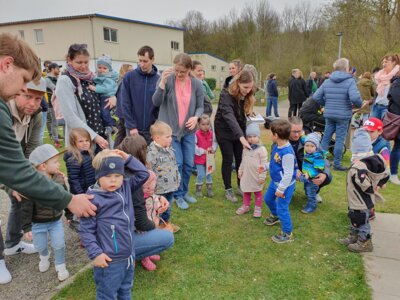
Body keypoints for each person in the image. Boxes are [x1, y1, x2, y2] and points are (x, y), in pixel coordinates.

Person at [0, 33, 96, 215]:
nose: (22, 88)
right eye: (23, 79)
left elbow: (27, 158)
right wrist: (68, 199)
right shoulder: (3, 108)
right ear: (6, 65)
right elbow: (13, 166)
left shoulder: (32, 116)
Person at [79, 149, 149, 299]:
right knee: (107, 294)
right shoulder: (92, 199)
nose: (113, 180)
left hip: (129, 255)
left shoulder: (125, 187)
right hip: (110, 260)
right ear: (98, 176)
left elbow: (144, 174)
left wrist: (128, 158)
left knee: (126, 289)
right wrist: (96, 254)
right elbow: (86, 231)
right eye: (108, 176)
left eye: (117, 175)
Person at [0, 79, 46, 284]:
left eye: (38, 99)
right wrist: (10, 184)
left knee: (22, 194)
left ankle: (12, 243)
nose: (34, 104)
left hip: (12, 160)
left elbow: (32, 150)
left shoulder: (35, 116)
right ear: (16, 92)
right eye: (28, 96)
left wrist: (26, 181)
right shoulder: (4, 112)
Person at [152, 53, 204, 209]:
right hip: (170, 132)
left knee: (189, 164)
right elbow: (156, 102)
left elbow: (201, 106)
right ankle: (178, 195)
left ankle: (185, 191)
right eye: (177, 70)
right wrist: (161, 83)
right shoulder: (167, 80)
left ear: (189, 69)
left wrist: (196, 117)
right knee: (178, 164)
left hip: (188, 131)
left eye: (182, 71)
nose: (179, 74)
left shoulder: (197, 84)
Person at [117, 135, 174, 271]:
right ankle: (135, 255)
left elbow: (145, 194)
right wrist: (155, 226)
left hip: (122, 229)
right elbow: (141, 222)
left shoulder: (122, 171)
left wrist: (158, 198)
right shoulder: (132, 178)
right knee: (167, 237)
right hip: (123, 235)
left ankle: (142, 253)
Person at [24, 144, 70, 281]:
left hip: (55, 221)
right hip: (37, 223)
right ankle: (44, 256)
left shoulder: (59, 179)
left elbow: (65, 198)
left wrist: (69, 214)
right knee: (39, 245)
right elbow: (26, 206)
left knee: (59, 244)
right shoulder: (30, 185)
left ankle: (60, 264)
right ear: (43, 166)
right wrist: (26, 227)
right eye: (55, 162)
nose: (59, 165)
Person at [339, 129, 389, 252]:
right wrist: (381, 183)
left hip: (359, 200)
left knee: (361, 221)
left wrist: (369, 188)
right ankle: (354, 236)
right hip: (362, 200)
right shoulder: (376, 159)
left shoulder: (359, 167)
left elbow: (364, 184)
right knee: (355, 218)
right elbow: (386, 173)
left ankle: (365, 242)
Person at [312, 58, 362, 171]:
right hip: (343, 115)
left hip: (329, 114)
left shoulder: (327, 81)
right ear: (346, 68)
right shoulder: (350, 81)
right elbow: (355, 98)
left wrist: (326, 104)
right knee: (339, 140)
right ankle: (337, 164)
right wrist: (359, 104)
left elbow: (316, 97)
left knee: (326, 138)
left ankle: (320, 163)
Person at [56, 43, 108, 149]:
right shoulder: (65, 81)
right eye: (79, 62)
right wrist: (95, 137)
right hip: (82, 141)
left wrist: (112, 97)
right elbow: (70, 117)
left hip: (101, 137)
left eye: (86, 62)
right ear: (69, 61)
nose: (83, 66)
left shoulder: (92, 78)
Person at [214, 70, 255, 203]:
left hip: (238, 130)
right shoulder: (225, 95)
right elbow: (229, 116)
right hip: (224, 130)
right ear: (238, 83)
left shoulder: (245, 95)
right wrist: (241, 137)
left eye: (250, 87)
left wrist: (249, 114)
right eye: (245, 87)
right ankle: (228, 189)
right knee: (228, 158)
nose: (248, 91)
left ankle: (240, 186)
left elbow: (238, 114)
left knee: (240, 158)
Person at [263, 119, 297, 243]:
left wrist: (281, 189)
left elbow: (288, 174)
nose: (270, 135)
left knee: (283, 208)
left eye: (271, 133)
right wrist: (266, 166)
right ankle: (275, 215)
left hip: (285, 186)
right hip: (276, 182)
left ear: (276, 135)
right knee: (267, 199)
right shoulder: (277, 146)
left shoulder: (287, 153)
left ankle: (288, 233)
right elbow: (275, 162)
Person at [119, 46, 160, 145]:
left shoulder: (158, 79)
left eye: (145, 61)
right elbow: (125, 103)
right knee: (133, 158)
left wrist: (156, 125)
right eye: (140, 61)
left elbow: (159, 105)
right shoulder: (129, 77)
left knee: (150, 159)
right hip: (133, 129)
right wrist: (131, 126)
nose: (142, 64)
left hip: (151, 130)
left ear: (153, 59)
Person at [288, 117, 331, 203]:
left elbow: (323, 157)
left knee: (328, 177)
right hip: (289, 168)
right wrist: (293, 170)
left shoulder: (310, 140)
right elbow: (275, 161)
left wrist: (325, 173)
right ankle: (288, 189)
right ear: (287, 129)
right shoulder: (281, 140)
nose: (297, 135)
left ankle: (313, 191)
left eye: (299, 131)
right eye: (294, 131)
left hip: (308, 168)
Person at [147, 121, 181, 230]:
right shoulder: (151, 154)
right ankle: (156, 226)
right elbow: (149, 171)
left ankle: (165, 223)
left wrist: (177, 178)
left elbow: (175, 165)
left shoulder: (170, 150)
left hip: (171, 186)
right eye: (168, 137)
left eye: (170, 136)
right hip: (159, 189)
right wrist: (150, 187)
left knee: (168, 206)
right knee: (158, 208)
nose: (170, 139)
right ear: (157, 138)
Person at [63, 128, 96, 230]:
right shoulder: (74, 159)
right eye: (81, 141)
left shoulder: (88, 154)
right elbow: (73, 180)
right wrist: (80, 193)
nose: (85, 143)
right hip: (81, 192)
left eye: (87, 140)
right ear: (74, 143)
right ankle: (84, 234)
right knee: (83, 215)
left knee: (91, 212)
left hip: (90, 189)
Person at [236, 123, 268, 218]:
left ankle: (258, 207)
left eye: (254, 136)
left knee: (257, 192)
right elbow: (243, 161)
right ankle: (246, 206)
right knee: (246, 191)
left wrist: (262, 176)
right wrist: (240, 170)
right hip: (247, 175)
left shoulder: (261, 150)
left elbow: (264, 164)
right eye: (249, 136)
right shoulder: (245, 148)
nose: (252, 138)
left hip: (256, 175)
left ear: (258, 137)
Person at [89, 54, 118, 135]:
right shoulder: (101, 76)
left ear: (109, 69)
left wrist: (95, 88)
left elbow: (106, 88)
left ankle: (113, 124)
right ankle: (108, 126)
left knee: (104, 112)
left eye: (104, 68)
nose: (101, 70)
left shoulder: (109, 78)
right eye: (99, 67)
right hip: (102, 97)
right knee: (102, 113)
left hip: (106, 97)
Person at [299, 133, 326, 214]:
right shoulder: (307, 151)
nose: (309, 148)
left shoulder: (317, 156)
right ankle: (311, 201)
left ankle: (312, 206)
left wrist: (309, 174)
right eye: (307, 146)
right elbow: (305, 139)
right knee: (307, 190)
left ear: (316, 147)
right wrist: (301, 135)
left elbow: (318, 169)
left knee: (310, 193)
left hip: (313, 178)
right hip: (307, 177)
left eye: (312, 146)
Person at [194, 114, 218, 198]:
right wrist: (203, 151)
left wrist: (213, 148)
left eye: (207, 124)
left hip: (210, 158)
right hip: (200, 159)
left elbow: (215, 142)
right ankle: (198, 190)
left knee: (209, 174)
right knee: (200, 174)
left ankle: (209, 189)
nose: (205, 126)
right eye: (203, 124)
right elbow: (194, 147)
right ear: (199, 125)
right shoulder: (196, 134)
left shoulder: (212, 134)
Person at [371, 54, 400, 120]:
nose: (384, 63)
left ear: (394, 62)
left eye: (386, 62)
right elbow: (378, 95)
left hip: (388, 109)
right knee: (371, 128)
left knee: (386, 129)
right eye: (383, 62)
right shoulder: (380, 76)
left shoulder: (397, 76)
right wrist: (370, 101)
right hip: (376, 106)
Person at [114, 63, 133, 147]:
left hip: (121, 112)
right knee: (124, 134)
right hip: (123, 113)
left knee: (121, 133)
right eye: (130, 71)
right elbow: (123, 99)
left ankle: (116, 149)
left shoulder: (121, 81)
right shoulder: (123, 83)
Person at [387, 71, 400, 184]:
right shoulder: (397, 83)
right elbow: (396, 100)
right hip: (397, 119)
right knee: (398, 146)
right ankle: (393, 173)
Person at [45, 63, 62, 147]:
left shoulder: (58, 78)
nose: (59, 70)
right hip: (52, 104)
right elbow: (56, 89)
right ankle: (56, 140)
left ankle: (57, 137)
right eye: (57, 68)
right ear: (52, 69)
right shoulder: (47, 79)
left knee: (59, 122)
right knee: (54, 122)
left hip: (59, 103)